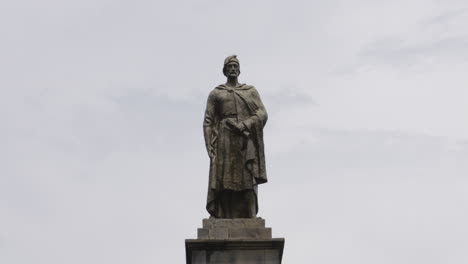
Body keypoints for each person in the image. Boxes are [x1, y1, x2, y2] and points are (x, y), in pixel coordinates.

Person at [203, 55, 268, 218]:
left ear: (239, 70)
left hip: (244, 139)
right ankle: (222, 214)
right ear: (225, 70)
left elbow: (262, 113)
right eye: (230, 66)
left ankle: (251, 215)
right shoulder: (216, 93)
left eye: (235, 66)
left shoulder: (250, 91)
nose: (233, 68)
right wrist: (209, 145)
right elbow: (208, 121)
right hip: (224, 138)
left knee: (248, 176)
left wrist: (246, 124)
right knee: (224, 178)